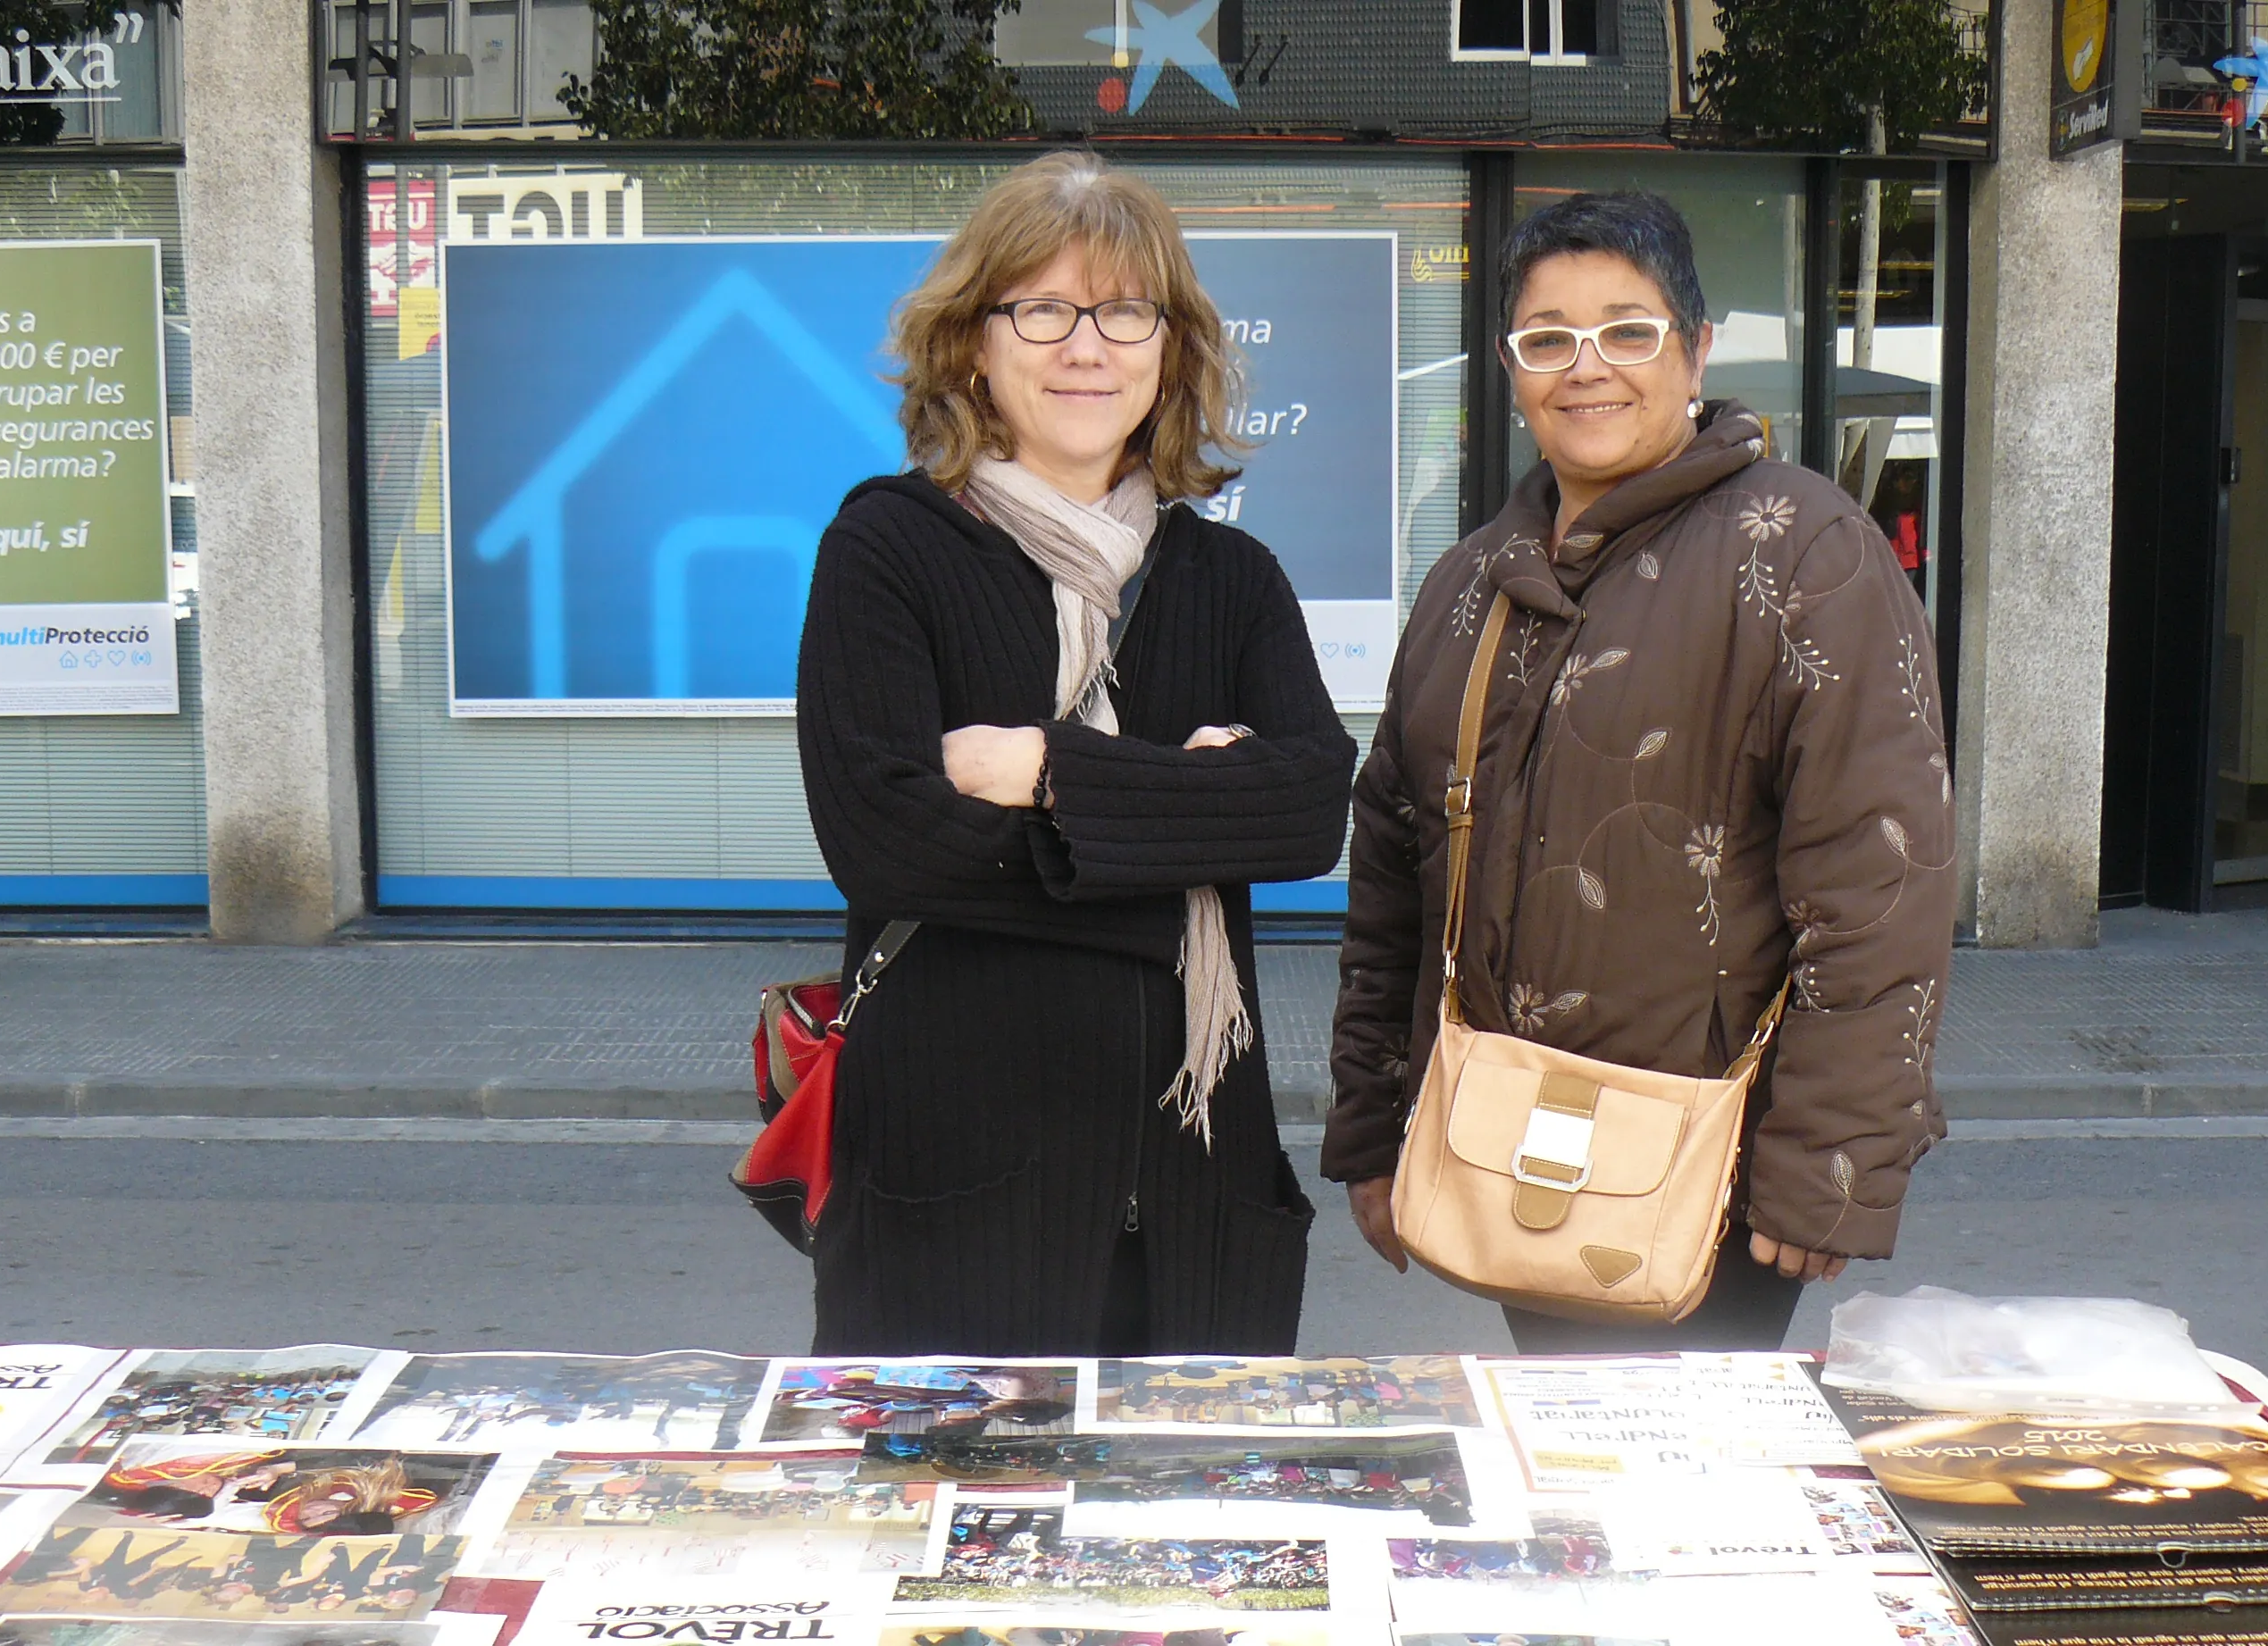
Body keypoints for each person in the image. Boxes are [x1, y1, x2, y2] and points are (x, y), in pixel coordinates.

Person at [1323, 189, 1956, 1352]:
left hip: (1709, 1162)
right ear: (1512, 367)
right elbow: (1394, 880)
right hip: (1504, 1133)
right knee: (1569, 1478)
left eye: (1627, 329)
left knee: (1674, 1490)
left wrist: (1833, 1160)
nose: (1586, 367)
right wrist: (1372, 1124)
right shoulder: (1471, 582)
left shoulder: (1804, 552)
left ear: (1697, 348)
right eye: (1547, 338)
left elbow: (1881, 885)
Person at [795, 151, 1356, 1356]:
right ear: (972, 346)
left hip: (1200, 1203)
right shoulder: (888, 549)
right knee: (948, 1528)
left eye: (1123, 311)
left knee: (1191, 1526)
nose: (1086, 347)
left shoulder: (1230, 578)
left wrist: (1050, 775)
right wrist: (1188, 838)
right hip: (955, 1198)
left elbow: (1311, 808)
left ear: (1172, 346)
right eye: (1042, 310)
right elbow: (885, 841)